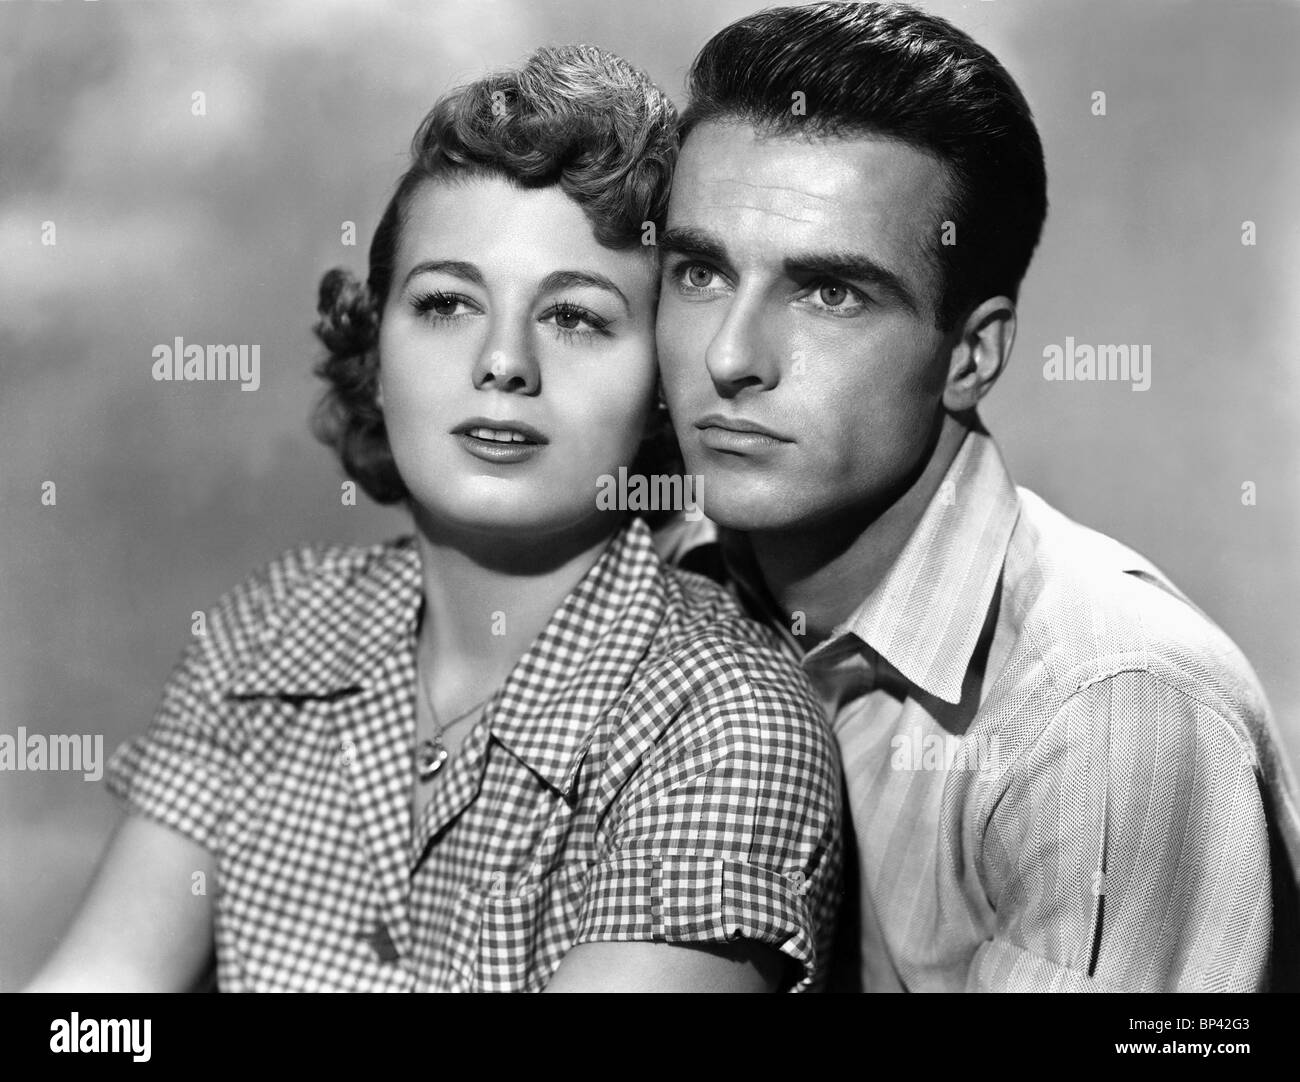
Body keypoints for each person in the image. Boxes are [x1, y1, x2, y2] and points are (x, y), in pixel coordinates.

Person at [25, 44, 841, 993]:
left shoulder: (725, 720)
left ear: (664, 384)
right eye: (447, 302)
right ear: (376, 347)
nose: (503, 364)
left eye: (576, 318)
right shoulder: (266, 634)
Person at [654, 1, 1300, 991]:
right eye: (699, 270)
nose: (730, 356)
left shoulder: (1110, 708)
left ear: (972, 353)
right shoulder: (642, 583)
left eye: (830, 293)